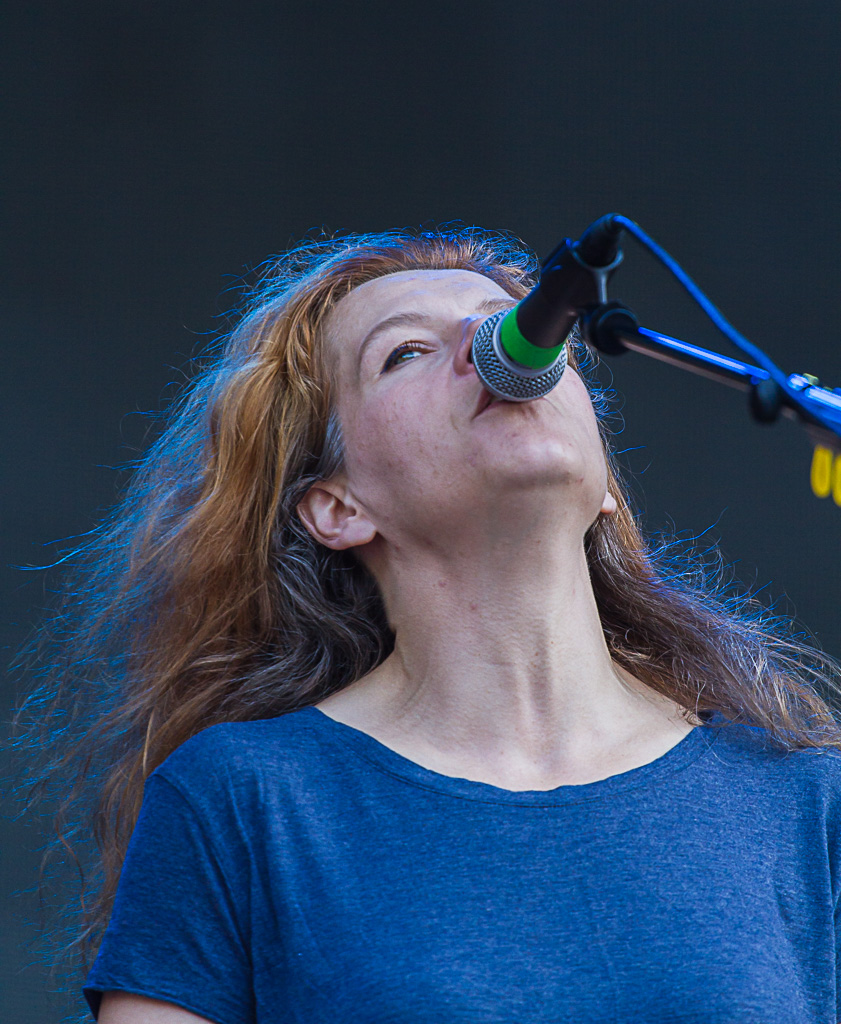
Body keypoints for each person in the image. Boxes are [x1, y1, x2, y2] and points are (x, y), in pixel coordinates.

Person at [11, 226, 841, 1024]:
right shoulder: (241, 800)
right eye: (406, 352)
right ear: (337, 508)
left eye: (500, 327)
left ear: (605, 490)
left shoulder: (803, 800)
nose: (495, 350)